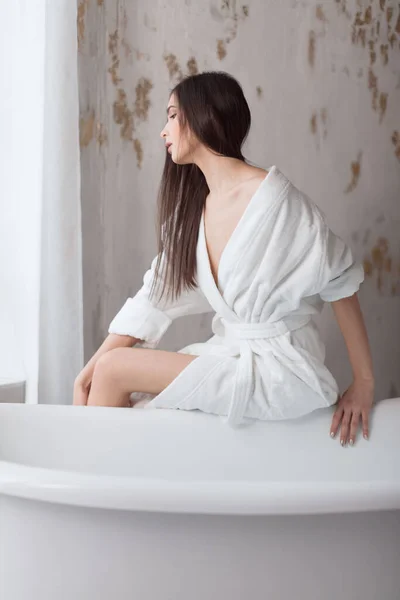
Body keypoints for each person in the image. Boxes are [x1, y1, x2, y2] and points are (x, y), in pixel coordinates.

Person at [73, 71, 374, 446]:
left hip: (279, 370)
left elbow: (341, 280)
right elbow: (157, 294)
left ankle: (95, 480)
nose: (163, 131)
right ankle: (104, 483)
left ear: (202, 116)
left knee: (115, 370)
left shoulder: (277, 203)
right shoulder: (195, 211)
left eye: (171, 115)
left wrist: (363, 382)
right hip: (232, 353)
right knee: (108, 371)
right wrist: (88, 369)